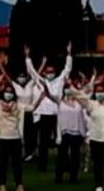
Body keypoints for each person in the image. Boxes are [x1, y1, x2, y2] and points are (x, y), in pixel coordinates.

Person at [26, 45, 73, 173]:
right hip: (44, 115)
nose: (50, 74)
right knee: (43, 142)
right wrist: (27, 57)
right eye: (48, 72)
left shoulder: (59, 81)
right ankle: (42, 165)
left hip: (58, 114)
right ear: (45, 73)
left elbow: (67, 69)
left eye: (52, 71)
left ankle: (65, 163)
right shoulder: (41, 81)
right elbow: (32, 72)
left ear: (55, 72)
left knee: (61, 140)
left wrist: (69, 54)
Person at [0, 77, 30, 191]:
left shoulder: (18, 105)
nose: (9, 94)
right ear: (3, 93)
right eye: (7, 92)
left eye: (11, 92)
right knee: (3, 163)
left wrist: (41, 98)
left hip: (15, 137)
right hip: (3, 137)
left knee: (17, 163)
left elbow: (31, 108)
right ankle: (2, 184)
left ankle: (19, 184)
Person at [54, 77, 88, 184]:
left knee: (75, 156)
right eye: (66, 88)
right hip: (64, 133)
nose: (68, 90)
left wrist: (83, 133)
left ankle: (73, 177)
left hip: (77, 133)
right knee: (61, 156)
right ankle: (59, 177)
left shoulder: (79, 103)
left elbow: (84, 95)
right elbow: (59, 120)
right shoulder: (60, 101)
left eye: (70, 88)